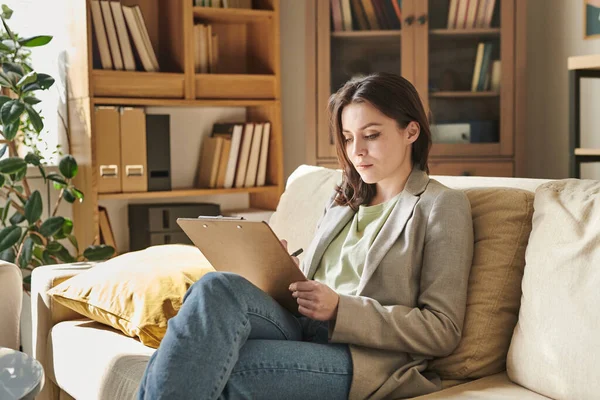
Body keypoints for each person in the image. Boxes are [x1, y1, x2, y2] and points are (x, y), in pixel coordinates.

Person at [137, 72, 474, 400]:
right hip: (301, 324)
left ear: (411, 131)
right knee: (216, 287)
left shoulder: (441, 205)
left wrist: (340, 308)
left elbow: (442, 330)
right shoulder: (342, 198)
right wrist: (280, 269)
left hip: (366, 358)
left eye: (371, 135)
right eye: (347, 137)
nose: (356, 151)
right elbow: (316, 280)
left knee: (207, 364)